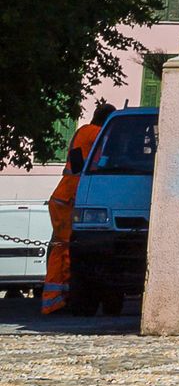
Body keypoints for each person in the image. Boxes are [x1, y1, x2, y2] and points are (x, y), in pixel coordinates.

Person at [41, 99, 112, 316]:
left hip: (66, 198)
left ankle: (60, 298)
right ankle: (53, 301)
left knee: (64, 247)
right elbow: (103, 157)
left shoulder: (85, 131)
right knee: (63, 247)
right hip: (68, 198)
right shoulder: (95, 133)